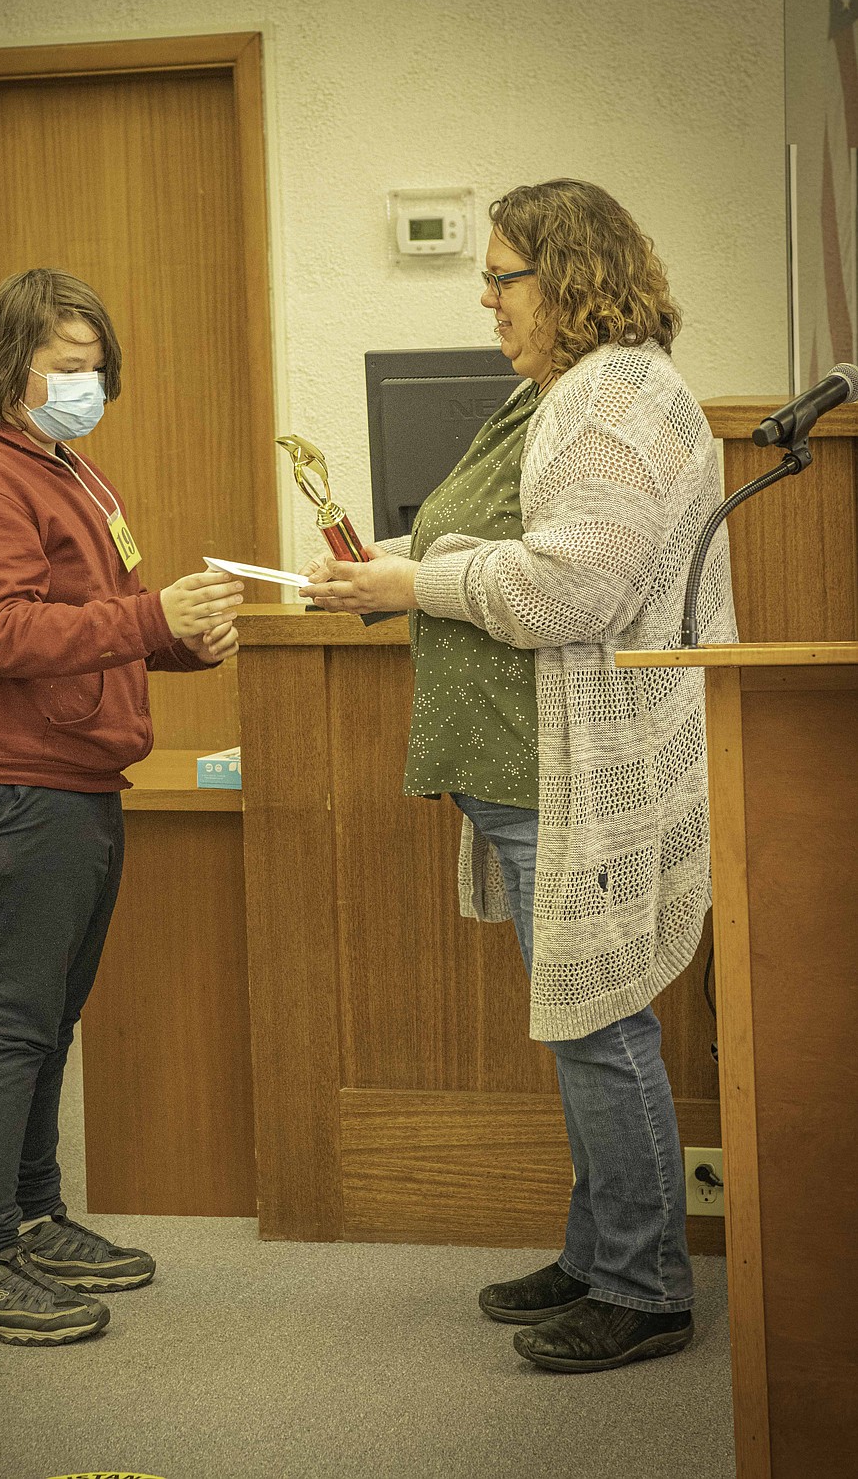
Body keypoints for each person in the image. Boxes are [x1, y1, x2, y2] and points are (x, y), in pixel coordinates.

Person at [302, 180, 736, 1373]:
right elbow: (481, 533)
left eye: (503, 277)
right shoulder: (558, 393)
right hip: (531, 767)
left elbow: (564, 592)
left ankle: (646, 1285)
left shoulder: (617, 406)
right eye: (487, 276)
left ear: (572, 280)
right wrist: (383, 566)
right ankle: (600, 1249)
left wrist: (411, 587)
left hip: (579, 769)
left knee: (602, 1026)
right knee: (582, 1024)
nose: (484, 297)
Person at [0, 268, 244, 1346]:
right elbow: (2, 633)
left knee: (49, 1017)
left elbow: (89, 619)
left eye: (96, 366)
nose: (86, 382)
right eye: (65, 363)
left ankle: (32, 1216)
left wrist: (173, 636)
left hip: (68, 775)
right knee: (9, 1025)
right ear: (6, 362)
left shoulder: (65, 470)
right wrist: (149, 617)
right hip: (1, 784)